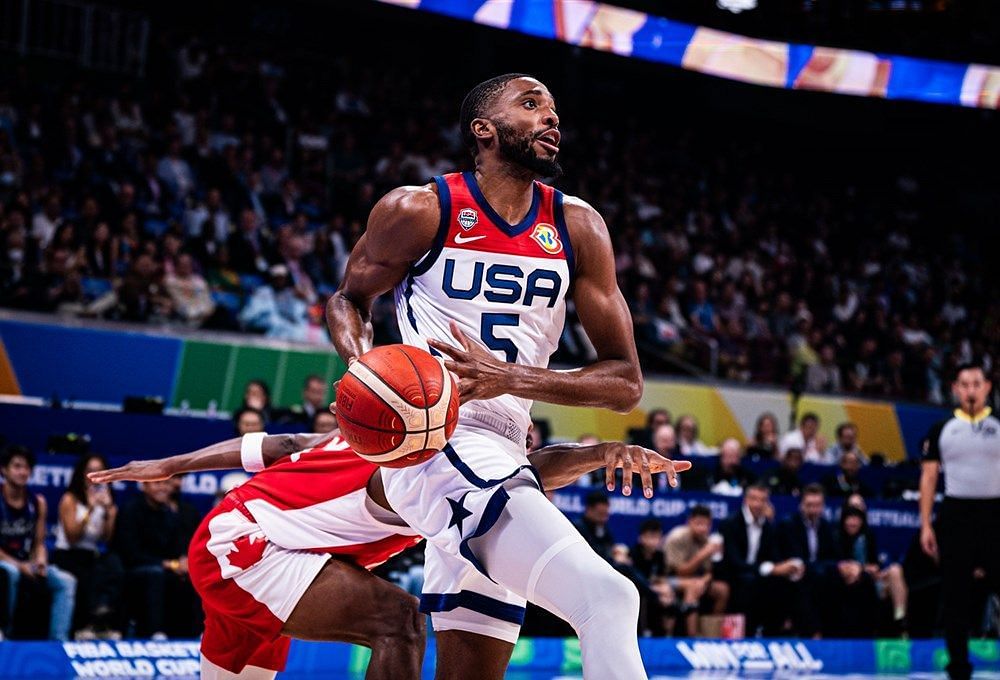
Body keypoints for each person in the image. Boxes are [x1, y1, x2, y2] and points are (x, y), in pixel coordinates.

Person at [326, 74, 651, 678]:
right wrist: (363, 371)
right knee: (608, 598)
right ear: (484, 130)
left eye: (554, 110)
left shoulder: (578, 227)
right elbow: (348, 299)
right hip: (433, 437)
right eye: (531, 106)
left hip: (503, 449)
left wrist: (512, 379)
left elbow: (625, 383)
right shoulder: (420, 208)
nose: (551, 119)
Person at [92, 429, 689, 679]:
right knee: (399, 621)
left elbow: (276, 445)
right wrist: (171, 464)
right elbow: (531, 469)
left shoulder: (382, 436)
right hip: (250, 550)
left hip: (243, 538)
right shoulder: (422, 469)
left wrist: (174, 462)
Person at [919, 363, 1000, 680]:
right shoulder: (941, 429)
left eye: (976, 383)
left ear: (987, 387)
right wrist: (926, 524)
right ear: (955, 389)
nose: (970, 389)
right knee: (955, 595)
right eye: (964, 384)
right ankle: (958, 667)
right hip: (956, 515)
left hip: (995, 514)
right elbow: (928, 478)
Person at [0, 446, 77, 640]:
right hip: (5, 563)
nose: (22, 472)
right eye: (17, 466)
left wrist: (40, 561)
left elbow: (39, 542)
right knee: (10, 573)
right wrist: (20, 565)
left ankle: (58, 642)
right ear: (4, 470)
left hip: (27, 561)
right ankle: (4, 635)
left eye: (26, 468)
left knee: (66, 581)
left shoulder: (37, 502)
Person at [113, 479, 200, 638]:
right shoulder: (130, 510)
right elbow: (128, 552)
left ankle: (194, 633)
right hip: (132, 568)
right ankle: (155, 633)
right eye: (157, 484)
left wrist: (182, 562)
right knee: (156, 574)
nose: (163, 488)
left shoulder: (170, 513)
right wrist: (167, 563)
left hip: (165, 568)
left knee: (190, 576)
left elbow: (176, 547)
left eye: (166, 484)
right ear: (144, 486)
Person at [719, 484, 804, 636]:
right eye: (754, 499)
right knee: (750, 582)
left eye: (762, 500)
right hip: (734, 574)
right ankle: (748, 633)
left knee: (783, 583)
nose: (758, 504)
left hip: (757, 574)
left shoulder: (768, 526)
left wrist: (786, 567)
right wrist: (770, 569)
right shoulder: (730, 523)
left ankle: (774, 634)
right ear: (745, 500)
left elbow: (773, 556)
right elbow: (734, 562)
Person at [52, 454, 122, 638]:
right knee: (88, 574)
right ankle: (83, 627)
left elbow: (107, 540)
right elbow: (72, 536)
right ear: (82, 474)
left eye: (100, 470)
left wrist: (108, 512)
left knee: (113, 565)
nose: (95, 475)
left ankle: (101, 623)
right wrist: (90, 509)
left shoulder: (108, 503)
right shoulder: (70, 499)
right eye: (90, 470)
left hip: (90, 554)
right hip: (66, 554)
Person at [837, 504, 908, 634]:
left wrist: (874, 570)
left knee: (895, 570)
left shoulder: (868, 536)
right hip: (853, 579)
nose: (853, 523)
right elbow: (841, 564)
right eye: (850, 519)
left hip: (873, 578)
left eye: (856, 519)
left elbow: (875, 564)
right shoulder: (837, 537)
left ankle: (900, 617)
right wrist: (862, 568)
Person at [663, 506, 729, 636]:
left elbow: (709, 571)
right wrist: (702, 555)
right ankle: (693, 635)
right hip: (670, 579)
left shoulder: (707, 540)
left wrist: (704, 580)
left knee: (722, 589)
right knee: (694, 586)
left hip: (697, 579)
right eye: (699, 524)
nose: (702, 528)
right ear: (690, 522)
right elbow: (680, 572)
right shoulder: (677, 537)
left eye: (706, 525)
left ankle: (712, 631)